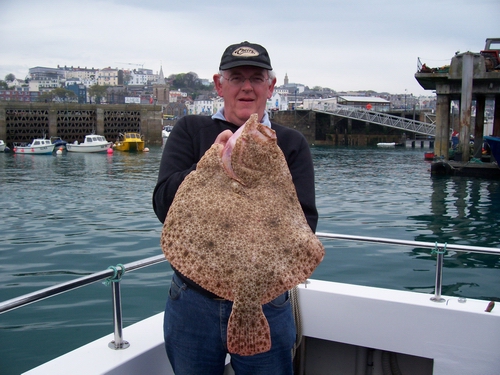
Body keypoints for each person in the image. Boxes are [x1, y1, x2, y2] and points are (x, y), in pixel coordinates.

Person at [152, 41, 318, 375]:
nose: (246, 87)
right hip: (192, 301)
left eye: (256, 78)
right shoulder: (189, 131)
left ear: (271, 87)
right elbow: (162, 205)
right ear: (219, 84)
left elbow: (306, 222)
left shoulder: (291, 144)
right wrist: (209, 167)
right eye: (236, 77)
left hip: (265, 304)